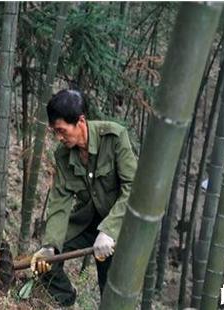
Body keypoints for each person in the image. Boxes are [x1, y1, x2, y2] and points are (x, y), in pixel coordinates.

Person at [30, 89, 137, 307]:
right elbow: (60, 201)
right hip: (87, 222)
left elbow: (132, 188)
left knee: (110, 289)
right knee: (44, 263)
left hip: (119, 225)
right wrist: (50, 245)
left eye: (62, 131)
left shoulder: (114, 138)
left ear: (80, 121)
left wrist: (109, 230)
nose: (59, 138)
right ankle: (64, 300)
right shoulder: (63, 154)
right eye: (54, 132)